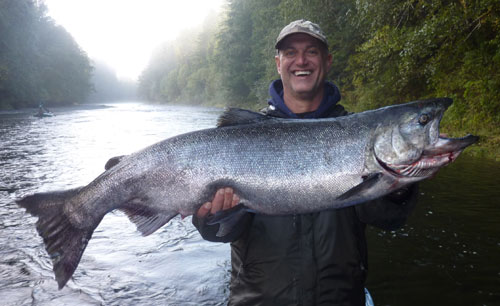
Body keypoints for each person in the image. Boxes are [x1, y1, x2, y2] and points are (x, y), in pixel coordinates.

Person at [192, 20, 418, 306]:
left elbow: (389, 220)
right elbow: (217, 234)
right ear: (278, 63)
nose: (301, 61)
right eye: (290, 52)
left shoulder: (362, 134)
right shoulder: (240, 135)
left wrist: (398, 186)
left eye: (311, 51)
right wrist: (212, 215)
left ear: (327, 61)